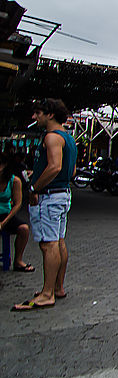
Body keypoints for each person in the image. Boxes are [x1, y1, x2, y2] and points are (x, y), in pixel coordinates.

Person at [11, 98, 77, 312]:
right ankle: (57, 288)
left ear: (50, 114)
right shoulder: (69, 138)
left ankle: (47, 294)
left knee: (48, 244)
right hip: (62, 194)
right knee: (58, 241)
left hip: (49, 197)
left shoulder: (51, 137)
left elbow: (55, 166)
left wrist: (34, 188)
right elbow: (71, 171)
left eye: (38, 113)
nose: (34, 117)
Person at [0, 153, 33, 272]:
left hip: (6, 214)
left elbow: (17, 204)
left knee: (24, 229)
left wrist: (3, 222)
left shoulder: (14, 181)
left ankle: (18, 261)